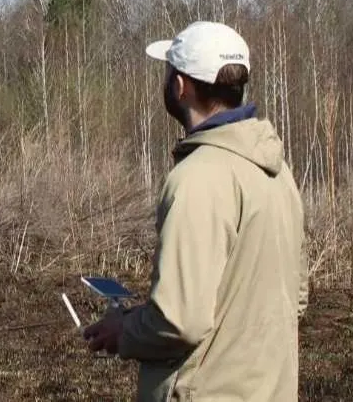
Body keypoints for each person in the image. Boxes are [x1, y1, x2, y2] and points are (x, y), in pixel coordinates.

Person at [82, 20, 309, 401]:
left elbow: (180, 321)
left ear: (180, 86)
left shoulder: (197, 178)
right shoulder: (278, 169)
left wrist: (124, 330)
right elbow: (295, 297)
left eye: (169, 70)